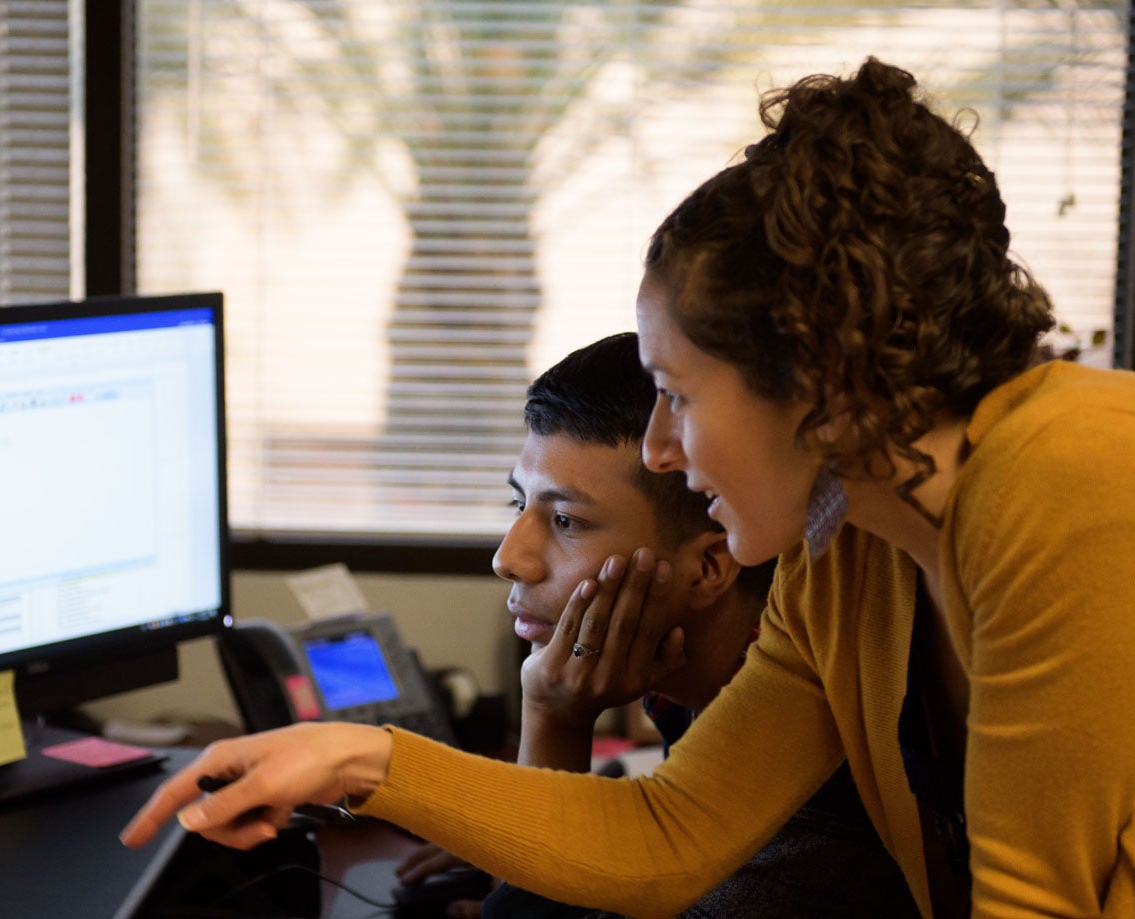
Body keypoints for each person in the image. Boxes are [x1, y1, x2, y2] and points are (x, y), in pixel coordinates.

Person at [122, 58, 1135, 918]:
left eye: (675, 393)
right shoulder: (845, 546)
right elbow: (671, 829)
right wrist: (354, 756)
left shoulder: (1065, 473)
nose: (657, 446)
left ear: (816, 376)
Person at [395, 331, 917, 919]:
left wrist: (553, 720)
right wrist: (519, 836)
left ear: (709, 567)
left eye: (566, 519)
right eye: (521, 506)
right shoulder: (693, 686)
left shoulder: (809, 824)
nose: (509, 558)